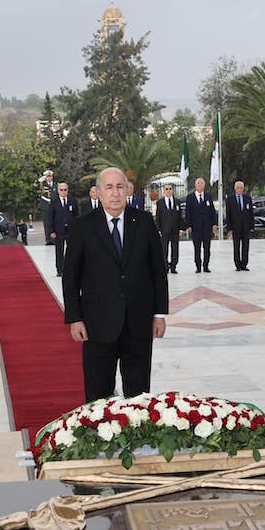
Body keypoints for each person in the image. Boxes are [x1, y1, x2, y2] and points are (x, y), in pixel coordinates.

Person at [63, 167, 168, 402]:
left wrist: (159, 314)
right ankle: (98, 436)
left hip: (138, 322)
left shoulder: (144, 222)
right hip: (96, 323)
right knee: (98, 393)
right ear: (98, 193)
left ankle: (139, 437)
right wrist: (75, 318)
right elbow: (71, 277)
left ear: (128, 191)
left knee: (139, 394)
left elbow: (158, 272)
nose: (115, 193)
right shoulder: (82, 226)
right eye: (108, 188)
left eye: (120, 187)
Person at [47, 182, 80, 276]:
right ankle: (60, 270)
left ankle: (71, 269)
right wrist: (51, 231)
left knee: (72, 251)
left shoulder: (72, 200)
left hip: (71, 230)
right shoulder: (54, 202)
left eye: (65, 190)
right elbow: (50, 217)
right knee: (59, 251)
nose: (63, 192)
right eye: (61, 190)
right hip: (58, 231)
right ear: (58, 191)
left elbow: (76, 216)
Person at [185, 177, 218, 273]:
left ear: (204, 185)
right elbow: (188, 213)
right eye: (198, 183)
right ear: (195, 185)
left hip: (207, 227)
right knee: (197, 248)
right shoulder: (190, 197)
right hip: (196, 228)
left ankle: (206, 266)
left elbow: (212, 211)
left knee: (207, 248)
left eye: (202, 183)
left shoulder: (208, 196)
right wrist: (189, 225)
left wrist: (214, 223)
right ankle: (198, 266)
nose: (200, 185)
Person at [225, 180, 254, 271]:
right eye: (238, 188)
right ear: (235, 188)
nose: (240, 189)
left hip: (246, 227)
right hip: (235, 227)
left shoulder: (247, 198)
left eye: (241, 188)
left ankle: (244, 264)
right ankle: (237, 265)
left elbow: (251, 213)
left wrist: (251, 226)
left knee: (245, 246)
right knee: (236, 246)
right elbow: (228, 214)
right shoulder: (230, 199)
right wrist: (229, 228)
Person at [155, 184, 183, 273]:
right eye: (166, 189)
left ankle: (173, 267)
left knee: (175, 249)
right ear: (164, 191)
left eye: (170, 189)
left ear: (172, 190)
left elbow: (180, 217)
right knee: (164, 250)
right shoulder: (160, 202)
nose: (168, 190)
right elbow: (158, 217)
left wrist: (181, 229)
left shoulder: (177, 202)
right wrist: (158, 229)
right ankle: (165, 267)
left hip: (175, 230)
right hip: (164, 230)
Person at [38, 170, 58, 245]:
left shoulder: (56, 185)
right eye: (47, 176)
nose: (49, 178)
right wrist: (38, 181)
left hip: (54, 206)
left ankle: (54, 239)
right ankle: (48, 240)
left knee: (54, 223)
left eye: (50, 176)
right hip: (45, 207)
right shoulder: (42, 185)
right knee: (46, 223)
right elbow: (33, 189)